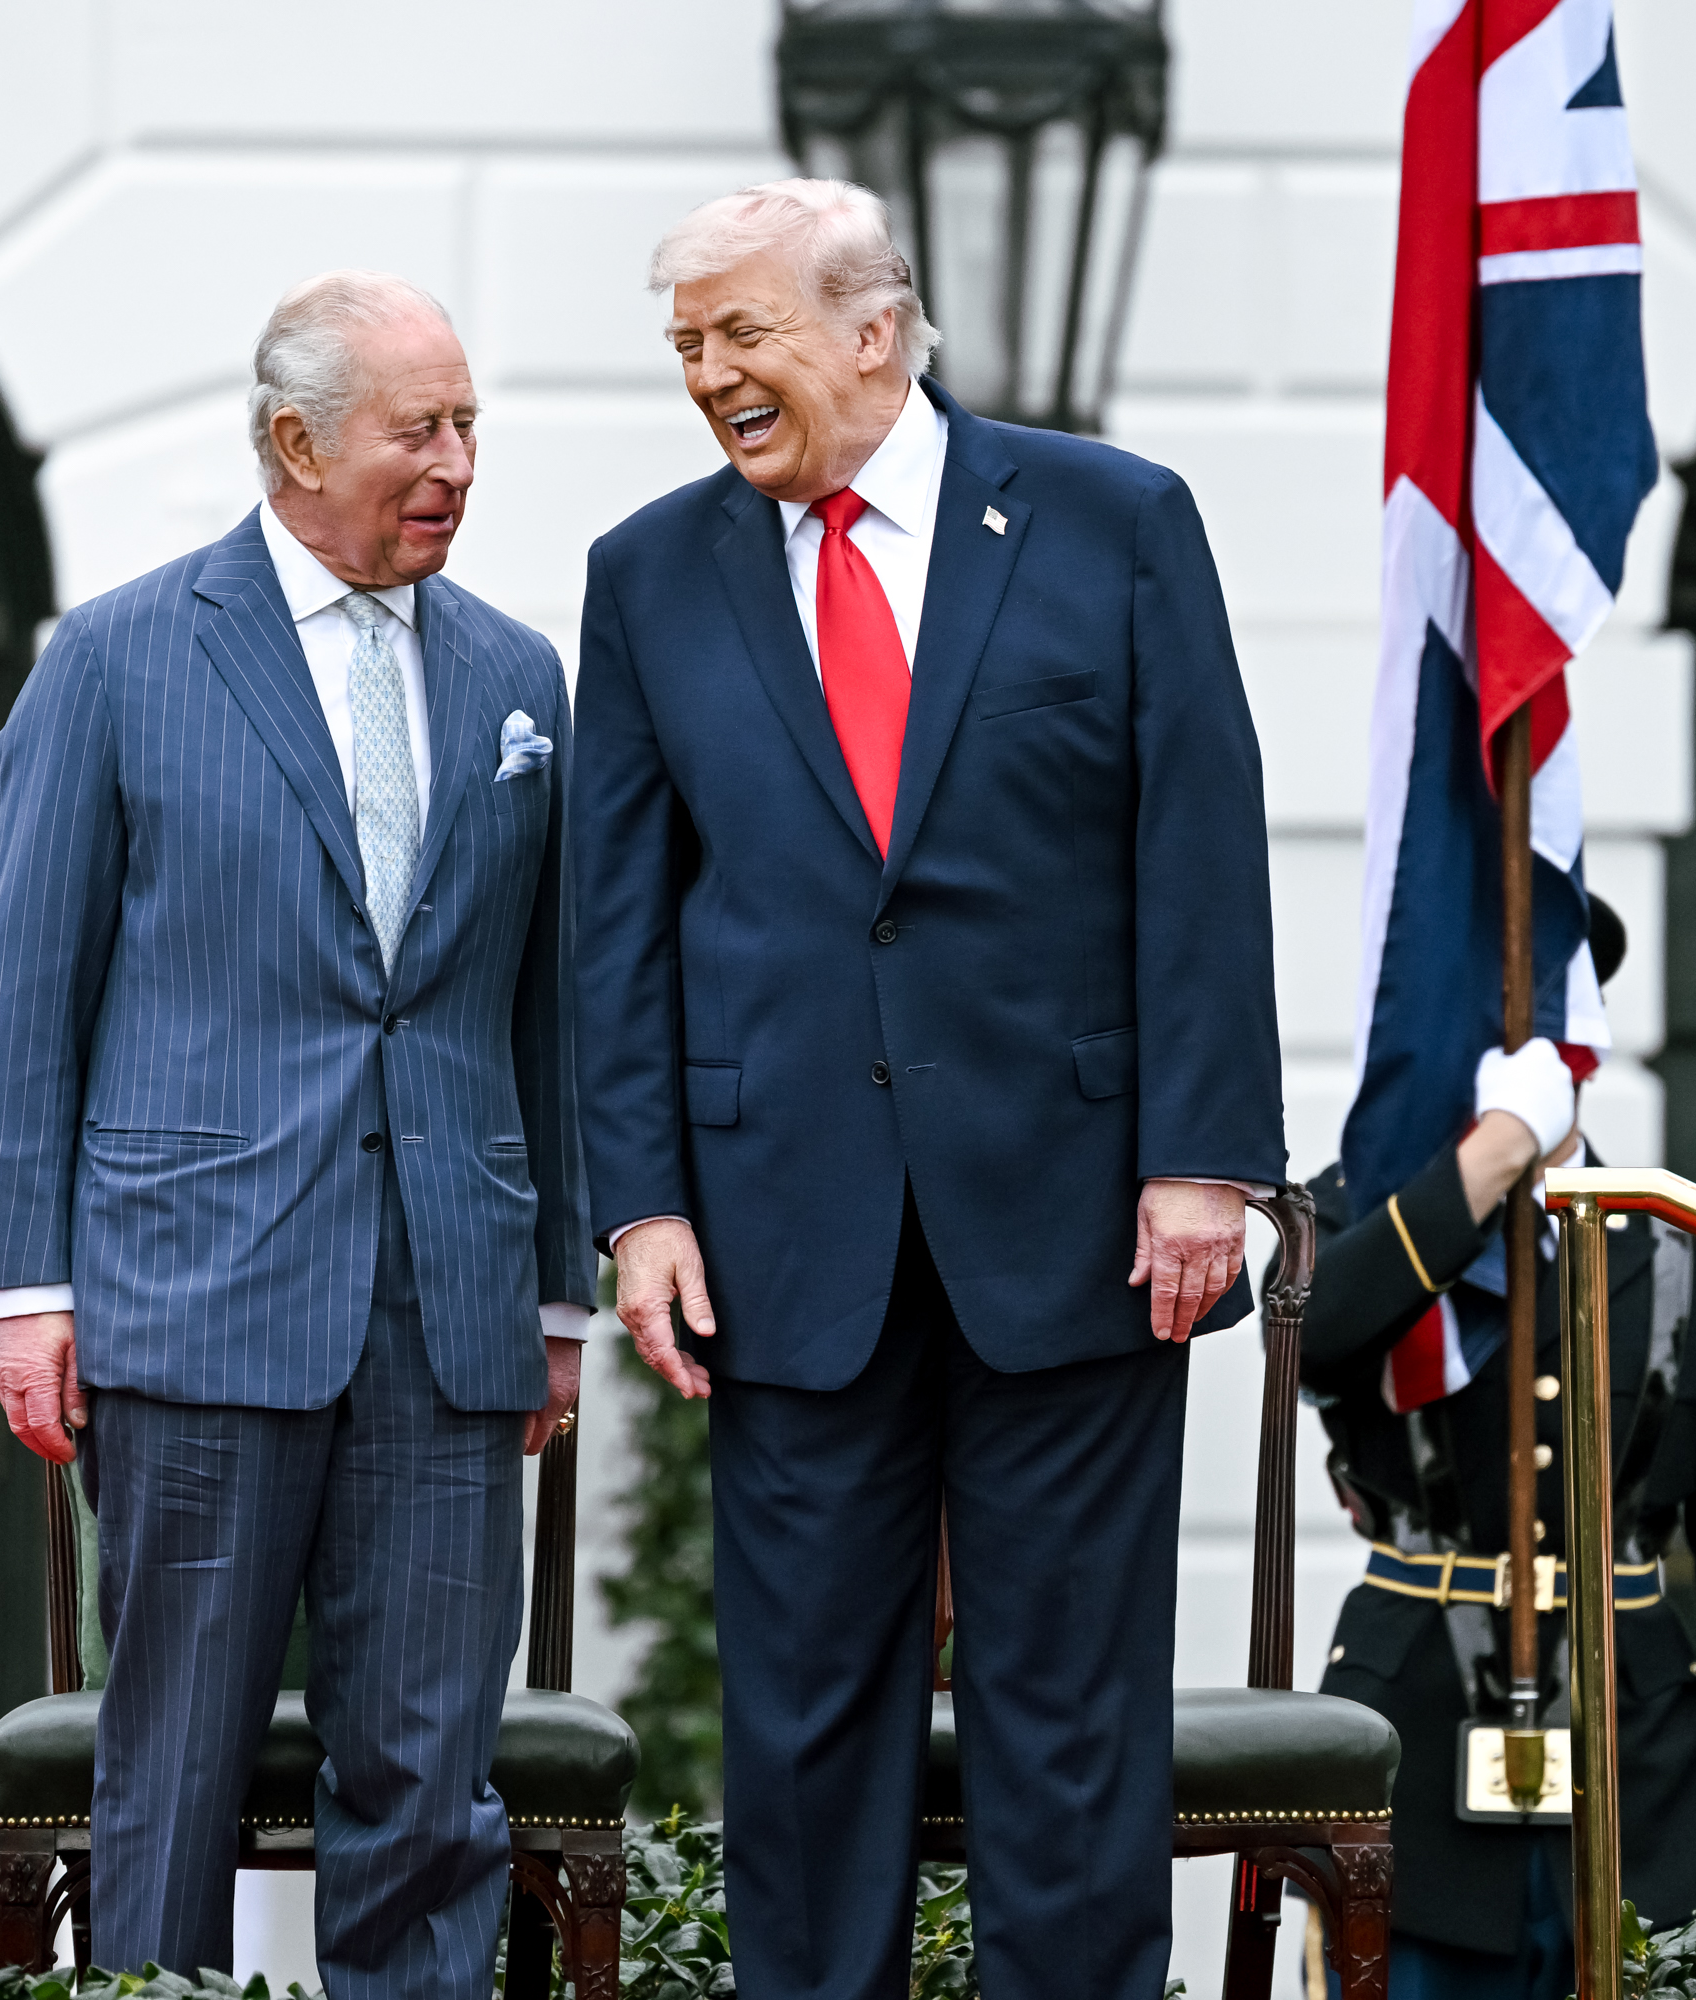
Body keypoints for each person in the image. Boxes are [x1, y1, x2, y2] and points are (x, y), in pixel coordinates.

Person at [571, 178, 1283, 2000]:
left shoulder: (1115, 520)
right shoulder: (647, 575)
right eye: (686, 345)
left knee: (1071, 1723)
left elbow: (1199, 847)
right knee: (804, 1728)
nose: (708, 375)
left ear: (873, 330)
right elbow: (617, 923)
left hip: (1080, 1223)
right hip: (780, 1238)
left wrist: (1204, 1160)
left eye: (742, 333)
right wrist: (640, 1206)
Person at [0, 270, 593, 1998]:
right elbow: (28, 996)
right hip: (195, 1302)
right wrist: (25, 1289)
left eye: (469, 426)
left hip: (448, 1316)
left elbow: (544, 1009)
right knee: (170, 1778)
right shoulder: (117, 657)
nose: (457, 463)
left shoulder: (518, 673)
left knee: (431, 1788)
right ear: (297, 445)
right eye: (420, 429)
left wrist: (554, 1297)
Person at [1297, 899, 1696, 2000]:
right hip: (1411, 1775)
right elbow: (1310, 1335)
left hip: (1640, 1786)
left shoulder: (1689, 1254)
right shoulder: (1358, 1217)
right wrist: (1485, 1164)